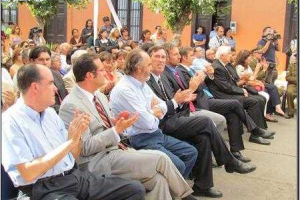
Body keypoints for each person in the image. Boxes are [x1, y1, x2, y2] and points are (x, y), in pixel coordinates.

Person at [59, 53, 197, 200]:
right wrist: (116, 129)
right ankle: (186, 197)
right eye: (101, 70)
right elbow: (85, 148)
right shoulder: (72, 105)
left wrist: (117, 123)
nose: (106, 71)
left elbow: (105, 126)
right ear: (89, 76)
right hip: (97, 161)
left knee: (159, 180)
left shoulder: (98, 96)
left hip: (117, 150)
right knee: (161, 159)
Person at [2, 64, 146, 200]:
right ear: (35, 87)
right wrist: (70, 142)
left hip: (73, 177)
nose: (56, 89)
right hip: (43, 188)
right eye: (50, 83)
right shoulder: (11, 121)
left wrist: (76, 137)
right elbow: (28, 173)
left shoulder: (50, 114)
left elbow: (72, 157)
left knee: (134, 189)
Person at [146, 46, 257, 198]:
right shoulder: (148, 79)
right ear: (148, 60)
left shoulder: (163, 77)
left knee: (203, 137)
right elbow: (164, 107)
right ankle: (229, 161)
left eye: (163, 57)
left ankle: (202, 186)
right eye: (156, 57)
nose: (160, 60)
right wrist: (188, 92)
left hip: (177, 115)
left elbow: (178, 100)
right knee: (205, 122)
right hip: (162, 124)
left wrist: (186, 95)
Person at [109, 49, 199, 182]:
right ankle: (176, 192)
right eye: (149, 65)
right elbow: (147, 122)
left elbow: (162, 106)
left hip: (155, 133)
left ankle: (177, 191)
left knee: (191, 152)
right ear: (139, 68)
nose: (151, 68)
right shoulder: (124, 89)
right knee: (177, 164)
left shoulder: (142, 84)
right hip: (138, 138)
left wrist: (154, 111)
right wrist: (154, 112)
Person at [207, 46, 275, 145]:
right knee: (254, 101)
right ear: (222, 56)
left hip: (228, 92)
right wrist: (241, 91)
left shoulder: (226, 65)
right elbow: (226, 87)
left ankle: (257, 132)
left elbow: (235, 80)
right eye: (229, 54)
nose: (231, 56)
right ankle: (256, 133)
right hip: (222, 95)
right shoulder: (217, 67)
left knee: (258, 99)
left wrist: (242, 88)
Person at [29, 46, 68, 113]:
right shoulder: (29, 79)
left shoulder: (56, 74)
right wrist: (65, 109)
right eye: (41, 60)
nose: (45, 62)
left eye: (47, 59)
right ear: (32, 61)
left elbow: (65, 95)